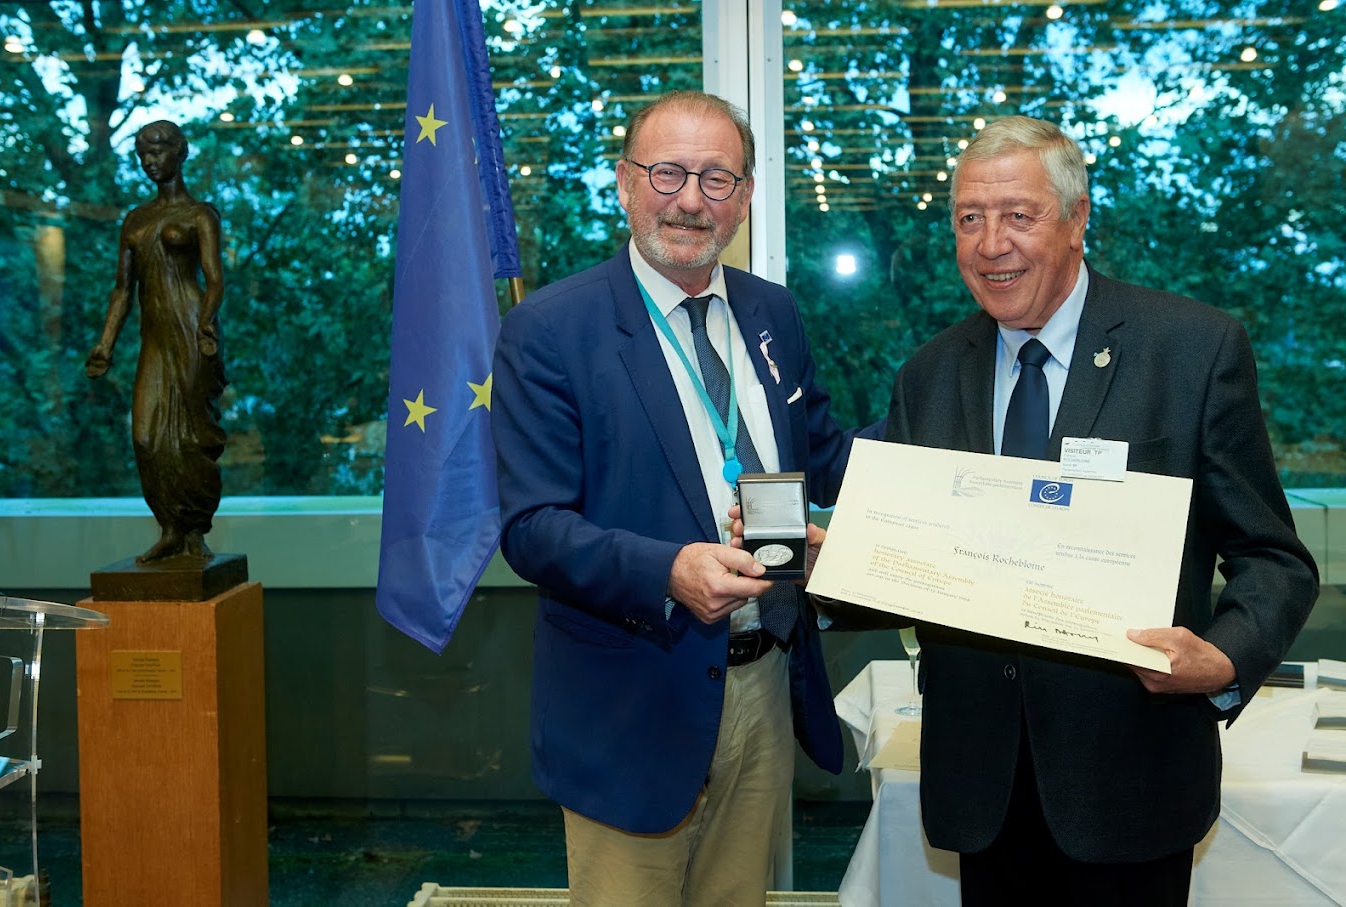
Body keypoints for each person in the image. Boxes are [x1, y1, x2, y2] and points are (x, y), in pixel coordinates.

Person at [855, 115, 1317, 904]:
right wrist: (845, 555)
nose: (990, 242)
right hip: (982, 790)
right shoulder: (926, 376)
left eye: (1018, 215)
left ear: (1077, 218)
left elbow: (1274, 557)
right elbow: (914, 558)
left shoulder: (1192, 351)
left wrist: (1225, 657)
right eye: (970, 218)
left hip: (1131, 781)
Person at [491, 90, 862, 906]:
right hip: (632, 698)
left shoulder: (772, 312)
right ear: (624, 183)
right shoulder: (551, 329)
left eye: (717, 177)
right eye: (667, 173)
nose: (691, 199)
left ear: (747, 196)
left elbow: (825, 456)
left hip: (763, 682)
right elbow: (531, 527)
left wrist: (950, 481)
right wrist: (670, 570)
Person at [87, 119, 228, 563]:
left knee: (190, 436)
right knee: (146, 436)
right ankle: (169, 526)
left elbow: (215, 278)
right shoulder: (136, 219)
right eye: (143, 155)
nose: (150, 161)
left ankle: (193, 534)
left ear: (180, 152)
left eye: (158, 151)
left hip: (189, 331)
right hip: (155, 337)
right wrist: (105, 343)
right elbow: (121, 290)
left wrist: (206, 321)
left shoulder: (199, 214)